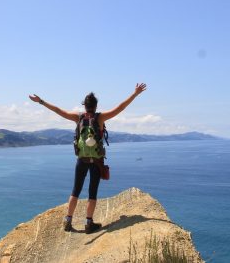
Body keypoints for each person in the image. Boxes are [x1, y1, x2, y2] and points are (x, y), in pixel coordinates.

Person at [29, 83, 147, 234]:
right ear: (96, 106)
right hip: (96, 162)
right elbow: (120, 107)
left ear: (85, 106)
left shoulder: (77, 118)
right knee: (92, 193)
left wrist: (41, 101)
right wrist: (135, 93)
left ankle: (68, 220)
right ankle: (88, 223)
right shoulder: (101, 118)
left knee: (75, 191)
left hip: (81, 160)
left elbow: (58, 110)